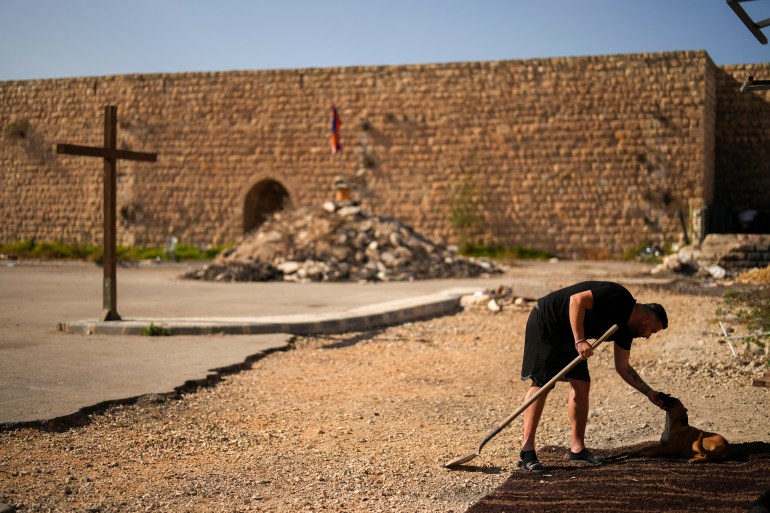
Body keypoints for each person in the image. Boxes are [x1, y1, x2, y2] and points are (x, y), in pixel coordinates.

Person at [517, 281, 668, 472]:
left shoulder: (626, 330)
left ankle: (577, 449)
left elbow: (623, 367)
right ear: (646, 319)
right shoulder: (618, 296)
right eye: (652, 331)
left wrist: (649, 392)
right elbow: (577, 300)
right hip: (548, 320)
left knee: (581, 385)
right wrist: (580, 340)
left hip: (570, 333)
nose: (648, 336)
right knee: (543, 384)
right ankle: (527, 451)